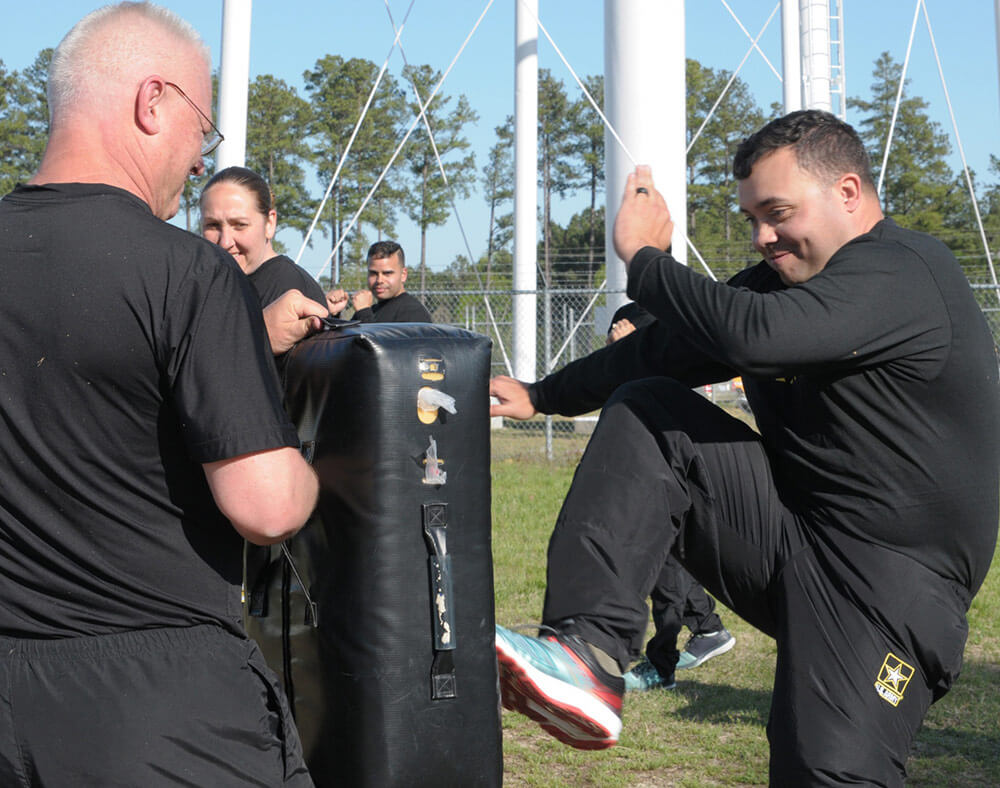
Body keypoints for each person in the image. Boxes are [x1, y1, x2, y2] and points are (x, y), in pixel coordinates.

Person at [489, 110, 999, 784]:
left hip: (890, 591)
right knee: (649, 408)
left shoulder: (905, 272)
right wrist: (540, 395)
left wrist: (645, 261)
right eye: (752, 216)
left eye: (777, 212)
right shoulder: (780, 286)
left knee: (822, 774)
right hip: (791, 539)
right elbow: (662, 350)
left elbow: (752, 337)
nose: (762, 236)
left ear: (848, 193)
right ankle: (589, 654)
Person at [0, 3, 327, 784]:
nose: (196, 160)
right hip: (156, 704)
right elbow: (266, 506)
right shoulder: (186, 271)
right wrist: (319, 461)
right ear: (154, 102)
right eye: (201, 131)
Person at [605, 304, 736, 692]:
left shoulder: (662, 325)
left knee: (662, 558)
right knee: (666, 554)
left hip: (667, 457)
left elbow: (660, 385)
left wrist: (629, 349)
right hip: (648, 455)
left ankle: (662, 665)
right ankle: (707, 629)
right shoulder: (636, 314)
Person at [200, 165, 327, 308]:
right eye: (213, 225)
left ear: (269, 223)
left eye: (240, 225)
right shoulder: (206, 289)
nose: (225, 242)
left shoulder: (292, 291)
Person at [326, 240, 433, 322]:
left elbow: (380, 348)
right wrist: (333, 314)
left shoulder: (413, 313)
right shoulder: (372, 311)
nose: (379, 280)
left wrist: (364, 313)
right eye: (373, 273)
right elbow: (346, 346)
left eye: (387, 273)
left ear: (403, 275)